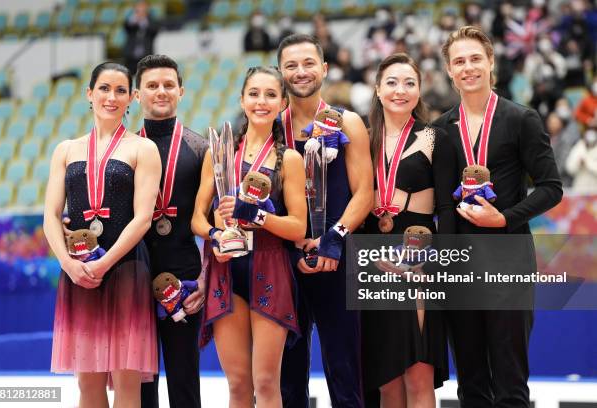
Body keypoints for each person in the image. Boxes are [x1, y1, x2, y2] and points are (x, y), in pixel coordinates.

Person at [433, 26, 563, 407]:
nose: (468, 67)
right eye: (459, 61)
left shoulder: (521, 119)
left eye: (476, 58)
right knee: (471, 384)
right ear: (448, 71)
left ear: (491, 63)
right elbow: (441, 204)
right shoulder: (441, 129)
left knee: (510, 384)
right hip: (460, 266)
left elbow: (551, 187)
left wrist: (504, 218)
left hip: (508, 264)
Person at [44, 62, 161, 407]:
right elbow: (50, 214)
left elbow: (143, 218)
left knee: (127, 384)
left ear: (133, 98)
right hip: (80, 273)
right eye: (104, 89)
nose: (112, 97)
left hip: (125, 269)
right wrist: (67, 264)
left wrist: (105, 263)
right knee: (88, 385)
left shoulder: (143, 149)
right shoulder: (65, 150)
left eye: (121, 90)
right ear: (89, 94)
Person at [192, 66, 307, 407]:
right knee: (239, 384)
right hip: (226, 268)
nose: (261, 101)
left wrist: (257, 215)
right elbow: (196, 218)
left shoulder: (290, 159)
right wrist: (216, 235)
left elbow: (298, 227)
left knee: (267, 381)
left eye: (271, 95)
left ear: (283, 103)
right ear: (242, 100)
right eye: (254, 94)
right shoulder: (220, 153)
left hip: (270, 264)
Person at [276, 34, 373, 408]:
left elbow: (365, 192)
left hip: (337, 257)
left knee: (345, 373)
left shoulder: (348, 122)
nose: (301, 72)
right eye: (291, 65)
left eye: (308, 64)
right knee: (287, 376)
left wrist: (335, 237)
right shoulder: (270, 127)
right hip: (283, 261)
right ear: (281, 72)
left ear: (325, 68)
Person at [360, 53, 456, 408]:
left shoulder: (436, 138)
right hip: (373, 261)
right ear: (377, 89)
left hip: (418, 258)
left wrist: (438, 261)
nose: (400, 91)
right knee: (386, 381)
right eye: (392, 82)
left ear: (419, 90)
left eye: (409, 83)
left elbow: (447, 207)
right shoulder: (361, 140)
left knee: (419, 376)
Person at [134, 54, 208, 408]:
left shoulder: (201, 149)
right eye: (151, 85)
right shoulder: (124, 151)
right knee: (140, 383)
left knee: (184, 381)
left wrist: (208, 277)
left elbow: (215, 224)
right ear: (137, 95)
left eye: (168, 85)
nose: (160, 92)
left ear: (181, 91)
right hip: (132, 274)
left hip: (185, 278)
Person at [124, 1, 159, 75]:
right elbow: (127, 26)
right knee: (129, 77)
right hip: (131, 56)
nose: (141, 9)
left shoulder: (151, 20)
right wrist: (136, 18)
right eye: (139, 7)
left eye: (143, 7)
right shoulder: (132, 20)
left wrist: (143, 20)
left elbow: (154, 30)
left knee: (146, 76)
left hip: (146, 55)